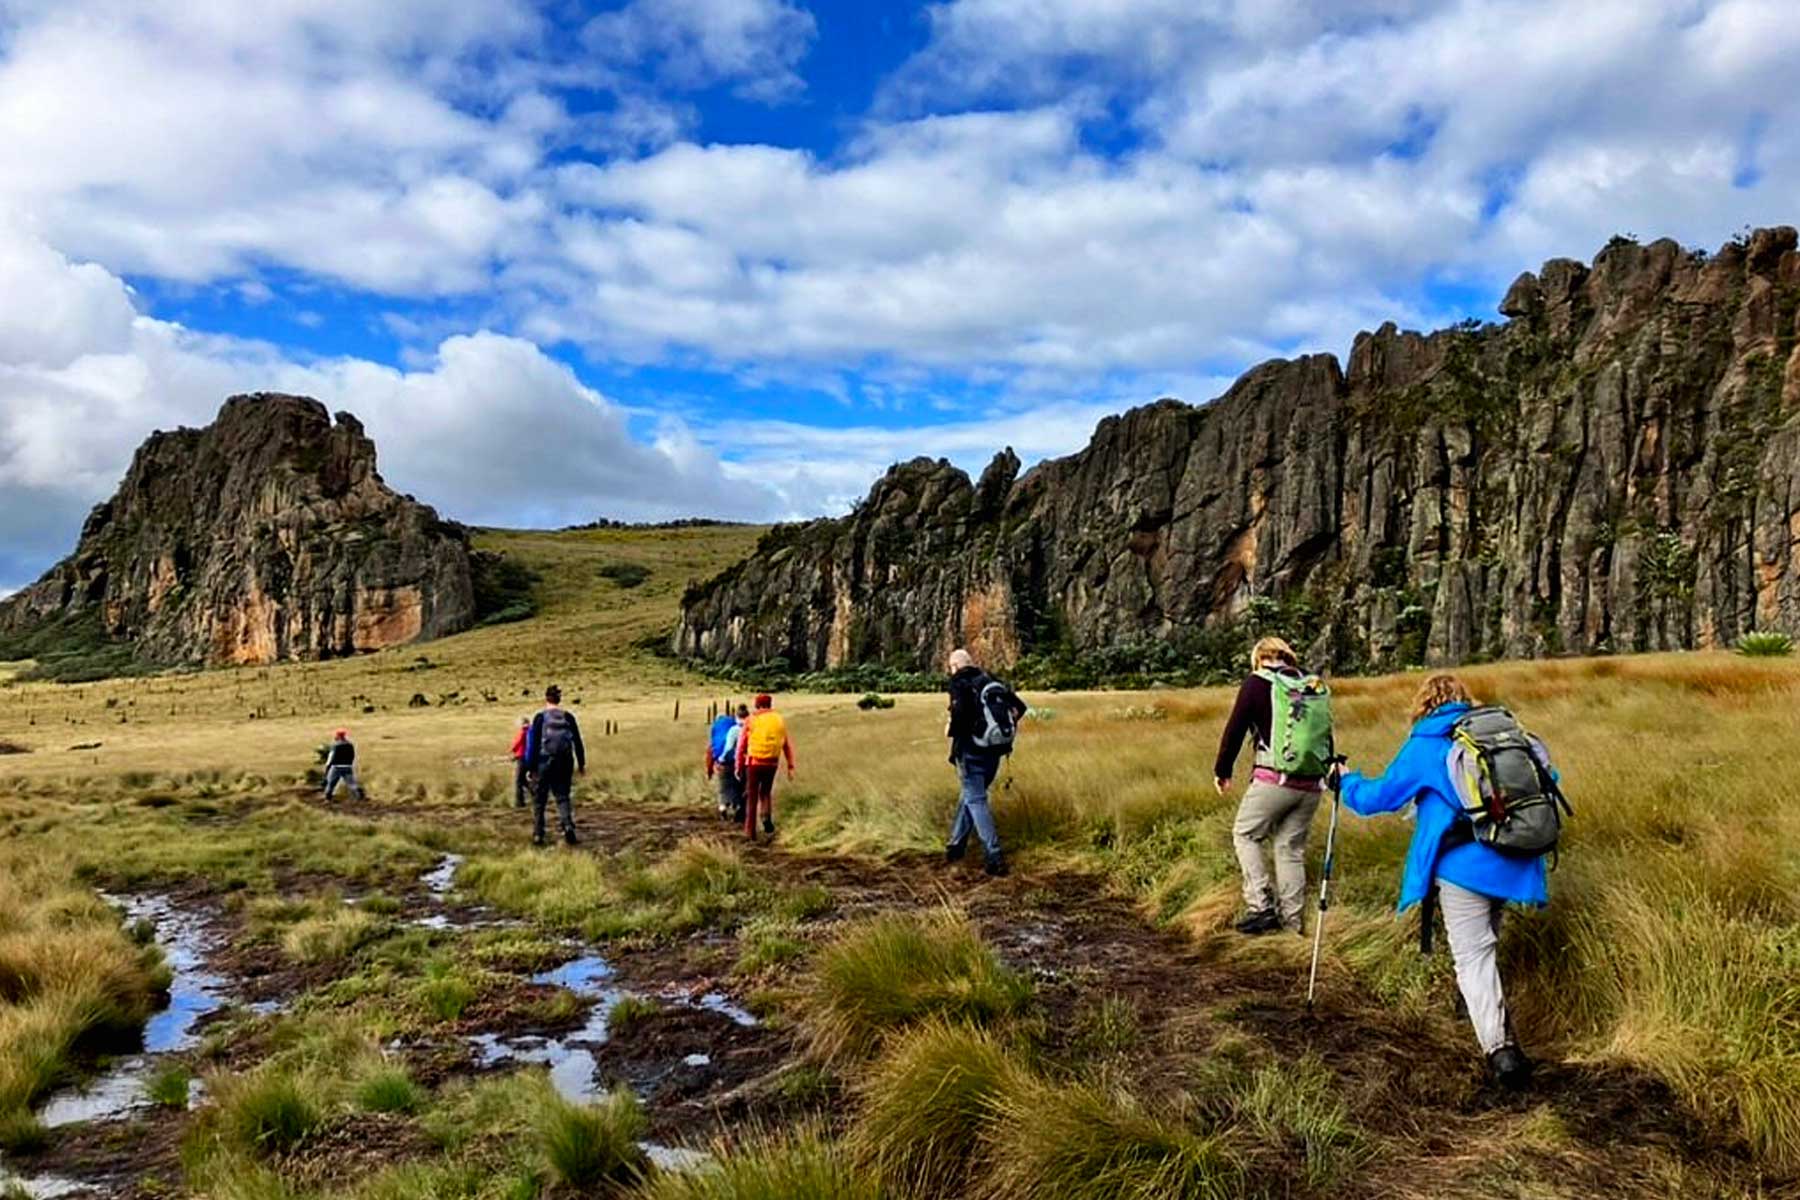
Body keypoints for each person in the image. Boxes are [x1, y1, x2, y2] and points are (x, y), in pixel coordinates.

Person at [1334, 673, 1550, 1088]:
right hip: (1511, 859)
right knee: (1487, 943)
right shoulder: (1504, 732)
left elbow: (1378, 798)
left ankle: (1500, 1052)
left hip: (1460, 868)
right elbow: (1546, 783)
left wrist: (1346, 780)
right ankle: (1476, 1011)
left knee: (1473, 957)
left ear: (1423, 703)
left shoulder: (1425, 742)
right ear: (1465, 700)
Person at [1214, 636, 1335, 936]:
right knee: (1290, 848)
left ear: (1259, 657)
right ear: (1287, 657)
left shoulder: (1256, 682)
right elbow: (1326, 734)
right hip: (1312, 784)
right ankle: (1292, 927)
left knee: (1245, 834)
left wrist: (1222, 770)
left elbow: (1235, 729)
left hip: (1273, 780)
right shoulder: (1311, 686)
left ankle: (1261, 906)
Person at [944, 648, 1028, 877]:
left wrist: (950, 730)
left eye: (951, 667)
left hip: (970, 753)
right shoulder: (991, 680)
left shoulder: (959, 682)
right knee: (970, 796)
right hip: (994, 752)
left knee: (976, 800)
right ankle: (955, 846)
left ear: (955, 666)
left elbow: (959, 717)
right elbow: (1020, 707)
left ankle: (994, 856)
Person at [524, 685, 586, 847]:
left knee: (539, 800)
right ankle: (567, 826)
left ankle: (538, 833)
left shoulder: (540, 718)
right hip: (564, 762)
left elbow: (533, 744)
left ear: (546, 698)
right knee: (563, 796)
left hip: (544, 762)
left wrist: (530, 767)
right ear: (559, 699)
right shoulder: (568, 717)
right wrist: (581, 764)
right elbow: (578, 742)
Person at [736, 694, 793, 841]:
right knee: (765, 792)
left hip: (754, 762)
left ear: (757, 705)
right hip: (772, 762)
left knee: (752, 796)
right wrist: (790, 765)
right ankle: (766, 818)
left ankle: (750, 832)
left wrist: (738, 765)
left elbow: (741, 745)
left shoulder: (751, 720)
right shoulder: (778, 719)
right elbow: (786, 744)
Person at [706, 703, 742, 823]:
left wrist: (709, 770)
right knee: (736, 787)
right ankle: (737, 807)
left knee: (722, 788)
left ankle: (723, 808)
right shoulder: (736, 729)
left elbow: (710, 753)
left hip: (721, 763)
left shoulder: (716, 735)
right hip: (737, 762)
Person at [322, 728, 365, 802]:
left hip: (336, 767)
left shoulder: (335, 745)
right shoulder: (350, 744)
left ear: (337, 736)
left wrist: (327, 767)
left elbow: (331, 757)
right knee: (352, 783)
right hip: (347, 766)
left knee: (331, 783)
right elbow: (352, 755)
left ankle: (327, 798)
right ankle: (358, 795)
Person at [510, 716, 530, 808]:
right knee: (523, 779)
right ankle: (535, 794)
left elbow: (516, 743)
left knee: (518, 781)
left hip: (521, 757)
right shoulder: (531, 731)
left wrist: (511, 750)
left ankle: (519, 802)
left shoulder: (522, 732)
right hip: (528, 757)